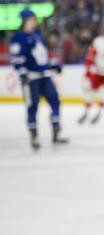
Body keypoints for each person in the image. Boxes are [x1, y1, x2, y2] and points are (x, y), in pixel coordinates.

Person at [9, 9, 68, 150]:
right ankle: (34, 136)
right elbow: (17, 58)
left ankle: (56, 131)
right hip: (31, 79)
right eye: (32, 18)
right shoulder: (18, 37)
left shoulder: (38, 35)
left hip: (45, 76)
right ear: (25, 20)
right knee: (32, 107)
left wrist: (52, 65)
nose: (34, 21)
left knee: (55, 102)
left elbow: (42, 56)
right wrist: (22, 72)